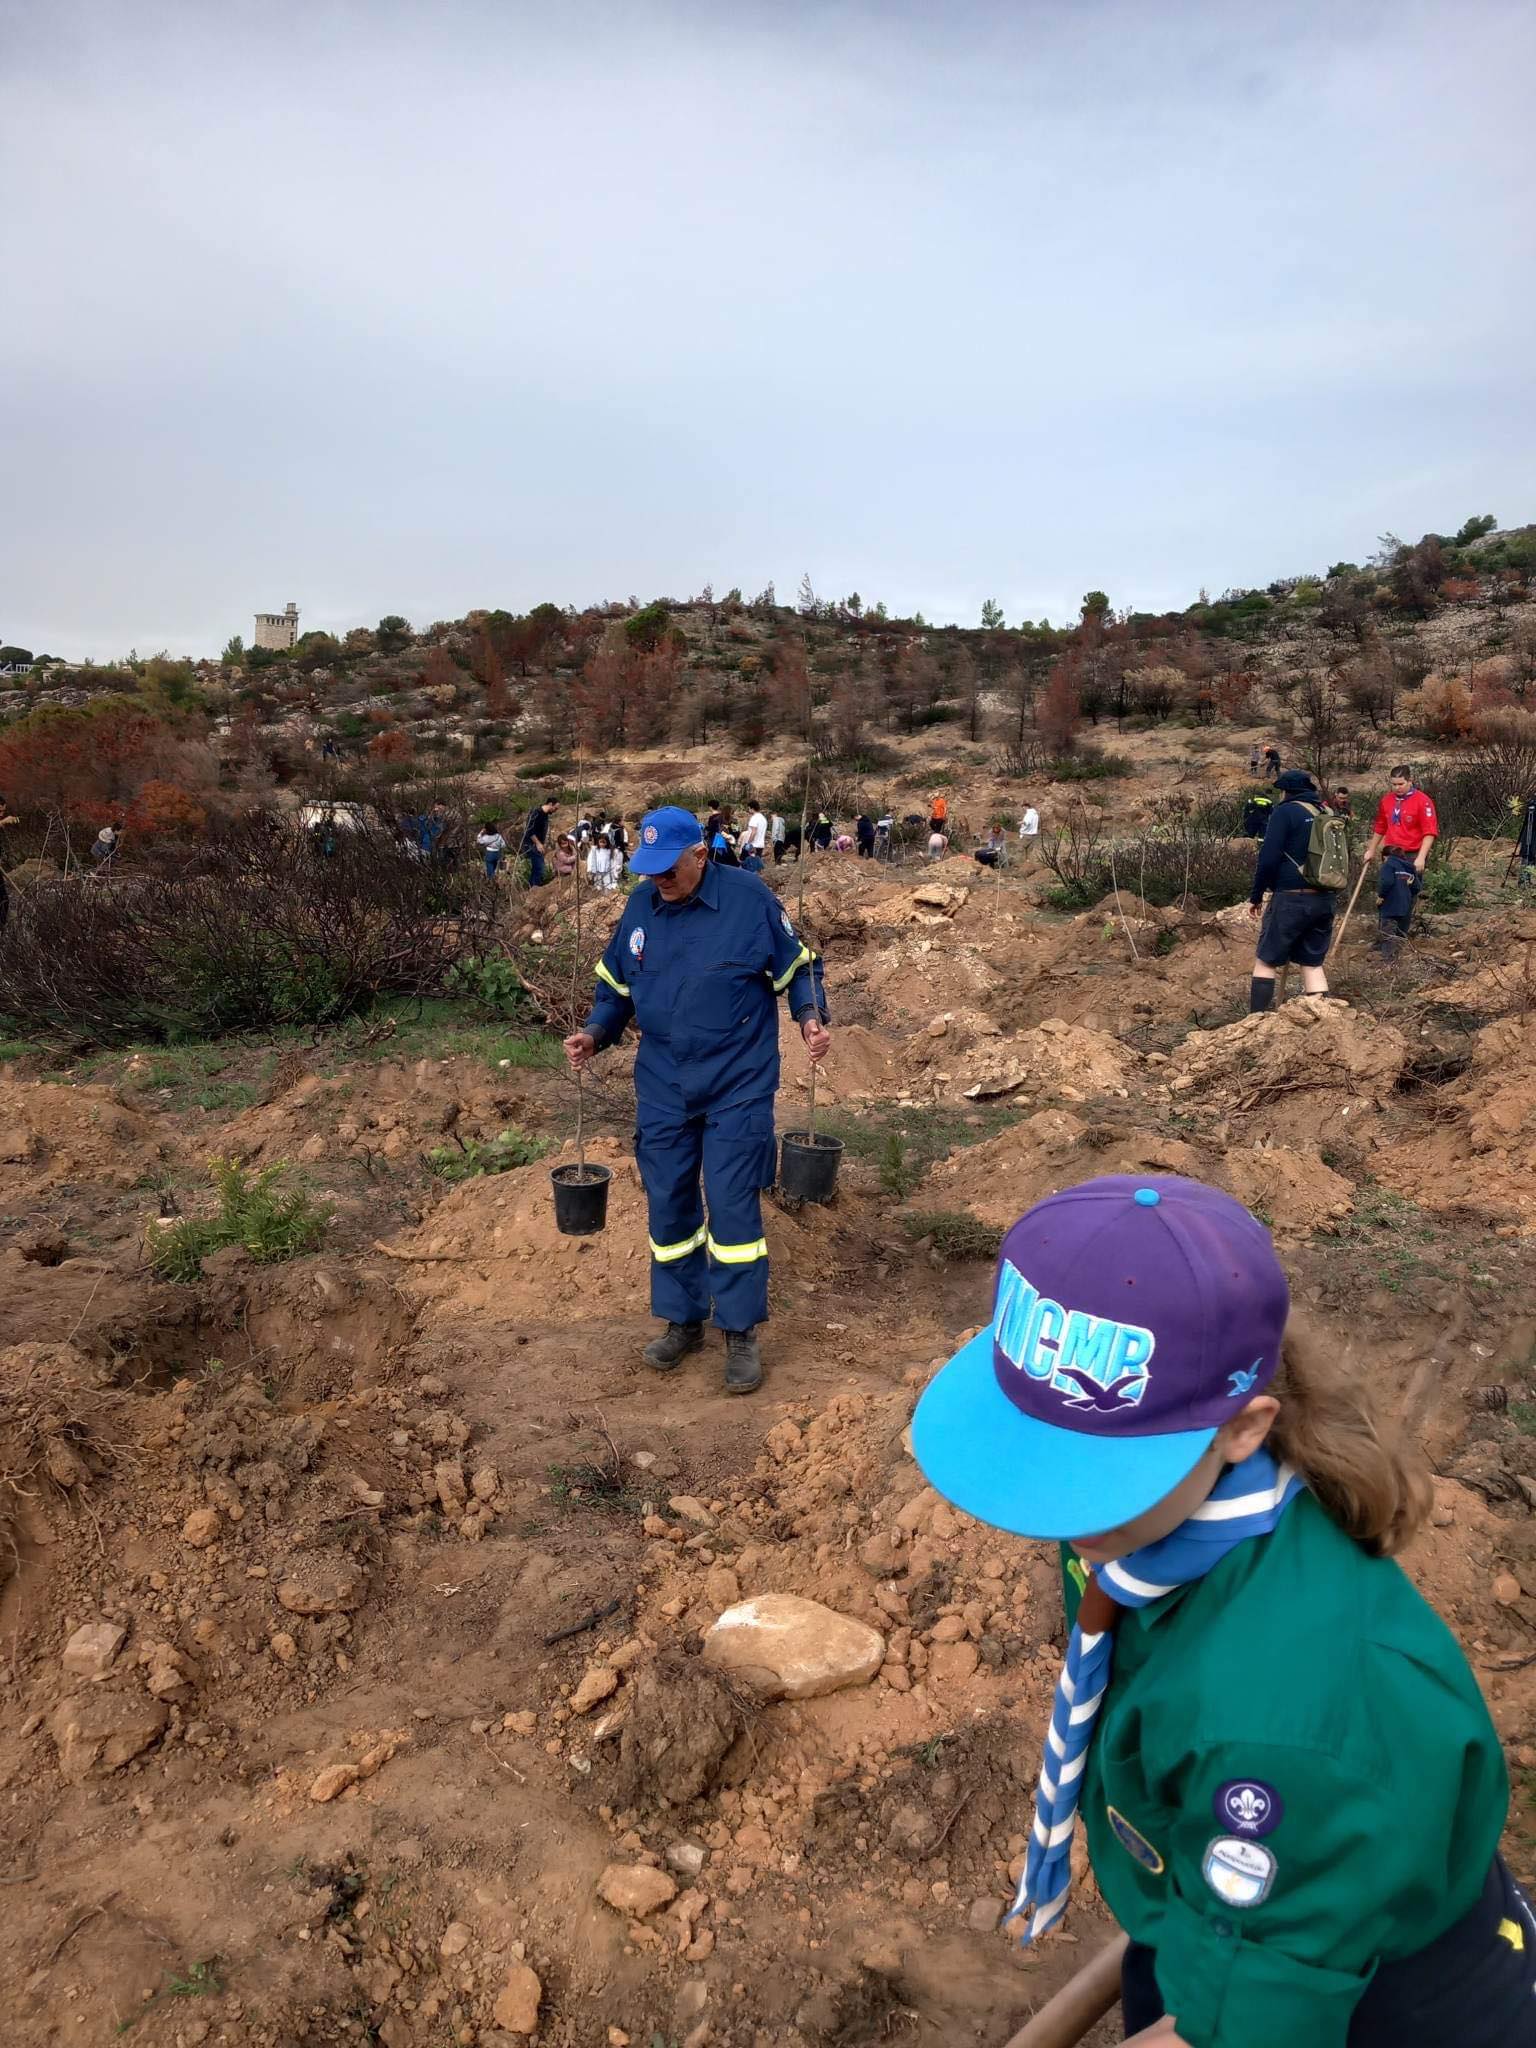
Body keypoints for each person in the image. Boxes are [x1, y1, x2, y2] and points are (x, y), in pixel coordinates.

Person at [910, 1172, 1531, 2048]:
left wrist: (1212, 1957)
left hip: (1369, 2001)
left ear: (1243, 1427)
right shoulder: (1135, 1524)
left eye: (1091, 1473)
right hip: (1237, 1910)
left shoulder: (1288, 1724)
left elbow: (1241, 2029)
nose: (1055, 1511)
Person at [563, 807, 831, 1395]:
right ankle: (683, 1318)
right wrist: (594, 1032)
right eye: (649, 868)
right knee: (670, 1205)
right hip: (663, 1083)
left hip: (738, 1082)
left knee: (733, 1206)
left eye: (669, 868)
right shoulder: (640, 908)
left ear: (701, 855)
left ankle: (739, 1330)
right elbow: (615, 987)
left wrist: (809, 1017)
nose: (659, 878)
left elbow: (799, 966)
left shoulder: (748, 899)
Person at [1246, 768, 1343, 1011]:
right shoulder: (1327, 811)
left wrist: (1256, 895)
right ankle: (1323, 1023)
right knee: (1311, 963)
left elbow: (1268, 858)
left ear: (1286, 792)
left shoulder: (1286, 812)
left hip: (1291, 897)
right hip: (1324, 897)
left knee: (1266, 961)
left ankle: (1254, 1024)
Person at [1365, 766, 1438, 959]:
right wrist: (1372, 849)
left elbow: (1429, 831)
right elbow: (1381, 825)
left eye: (1401, 784)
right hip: (1391, 853)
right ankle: (1384, 937)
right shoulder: (1387, 800)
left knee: (1405, 896)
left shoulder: (1423, 801)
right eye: (1394, 784)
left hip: (1411, 855)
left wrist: (1421, 857)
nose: (1397, 788)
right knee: (1386, 893)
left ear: (1410, 780)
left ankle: (1399, 937)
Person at [521, 798, 556, 886]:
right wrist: (538, 843)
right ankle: (535, 887)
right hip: (531, 843)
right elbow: (529, 830)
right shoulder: (536, 813)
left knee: (536, 867)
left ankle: (532, 887)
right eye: (555, 808)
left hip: (538, 843)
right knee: (540, 867)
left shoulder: (545, 815)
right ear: (550, 804)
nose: (555, 811)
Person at [739, 801, 768, 873]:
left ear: (752, 808)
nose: (748, 810)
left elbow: (754, 832)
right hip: (760, 845)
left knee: (745, 865)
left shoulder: (754, 818)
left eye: (749, 808)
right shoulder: (763, 818)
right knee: (755, 866)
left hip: (752, 845)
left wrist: (748, 843)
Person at [586, 828, 619, 893]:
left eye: (604, 842)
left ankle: (607, 896)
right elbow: (590, 859)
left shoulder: (610, 851)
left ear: (607, 842)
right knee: (598, 885)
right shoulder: (595, 850)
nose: (602, 844)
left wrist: (615, 872)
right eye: (600, 842)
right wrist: (589, 868)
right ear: (598, 842)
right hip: (597, 870)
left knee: (608, 884)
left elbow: (613, 862)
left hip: (607, 871)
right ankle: (598, 896)